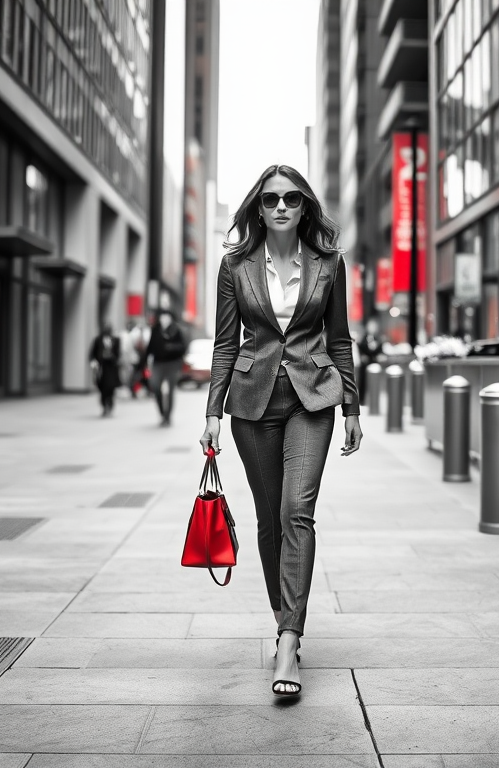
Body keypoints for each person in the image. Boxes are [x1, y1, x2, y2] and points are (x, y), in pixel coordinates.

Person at [199, 164, 363, 697]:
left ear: (305, 206)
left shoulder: (330, 264)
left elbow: (340, 339)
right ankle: (282, 613)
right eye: (271, 200)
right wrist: (212, 414)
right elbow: (226, 343)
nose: (282, 207)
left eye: (292, 198)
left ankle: (289, 641)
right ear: (258, 208)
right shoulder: (234, 267)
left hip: (313, 399)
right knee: (269, 520)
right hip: (254, 402)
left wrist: (353, 408)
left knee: (298, 510)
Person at [146, 308, 186, 426]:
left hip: (172, 364)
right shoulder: (156, 329)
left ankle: (167, 417)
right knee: (155, 387)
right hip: (158, 363)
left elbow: (182, 347)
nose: (164, 319)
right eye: (162, 316)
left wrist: (171, 347)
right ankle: (162, 413)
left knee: (170, 391)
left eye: (166, 316)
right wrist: (145, 361)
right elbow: (150, 346)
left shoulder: (176, 330)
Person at [90, 321, 122, 417]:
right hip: (101, 368)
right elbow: (92, 354)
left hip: (111, 368)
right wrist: (94, 362)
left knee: (111, 387)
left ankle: (109, 405)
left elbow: (118, 354)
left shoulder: (116, 340)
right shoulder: (97, 340)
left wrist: (112, 357)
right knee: (102, 388)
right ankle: (104, 405)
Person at [357, 317, 384, 404]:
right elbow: (360, 348)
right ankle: (362, 400)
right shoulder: (363, 338)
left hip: (374, 364)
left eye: (373, 326)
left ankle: (374, 400)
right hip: (365, 364)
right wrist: (362, 356)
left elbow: (380, 351)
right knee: (363, 383)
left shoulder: (378, 339)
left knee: (374, 383)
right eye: (370, 326)